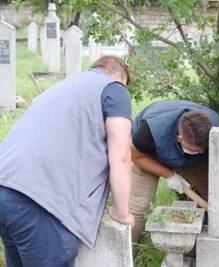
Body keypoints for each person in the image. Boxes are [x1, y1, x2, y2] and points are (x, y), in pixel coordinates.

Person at [0, 55, 134, 267]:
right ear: (118, 75)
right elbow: (121, 156)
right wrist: (122, 212)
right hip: (40, 200)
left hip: (6, 186)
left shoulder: (64, 86)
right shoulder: (114, 88)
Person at [130, 100, 219, 241]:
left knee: (216, 197)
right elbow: (135, 155)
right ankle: (127, 250)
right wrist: (169, 174)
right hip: (147, 156)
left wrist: (197, 153)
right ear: (180, 138)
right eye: (194, 149)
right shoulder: (148, 132)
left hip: (191, 162)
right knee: (137, 207)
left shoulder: (213, 127)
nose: (200, 151)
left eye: (202, 150)